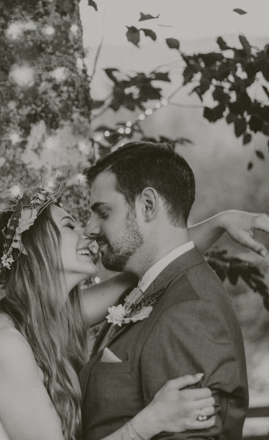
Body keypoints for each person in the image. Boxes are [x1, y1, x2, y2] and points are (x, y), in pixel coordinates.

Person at [0, 183, 268, 439]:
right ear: (32, 248)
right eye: (69, 226)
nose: (88, 235)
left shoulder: (45, 321)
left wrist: (221, 222)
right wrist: (150, 421)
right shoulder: (3, 344)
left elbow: (157, 260)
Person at [80, 141, 256, 440]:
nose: (90, 229)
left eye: (103, 212)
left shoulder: (190, 312)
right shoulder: (149, 287)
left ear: (148, 205)